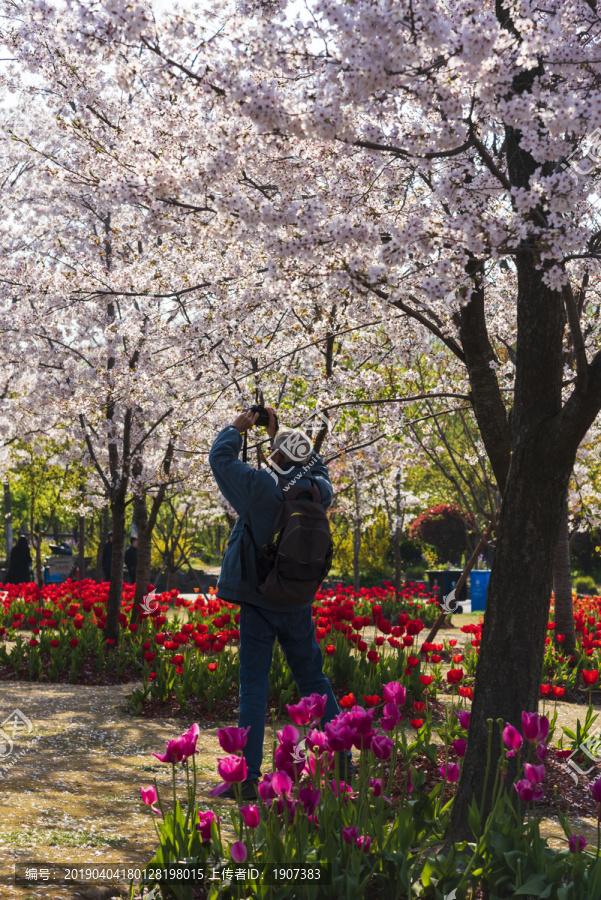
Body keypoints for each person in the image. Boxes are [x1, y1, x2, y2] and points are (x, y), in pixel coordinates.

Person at [209, 407, 352, 801]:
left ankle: (248, 777)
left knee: (254, 686)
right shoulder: (320, 489)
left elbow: (220, 459)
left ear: (275, 456)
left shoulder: (258, 488)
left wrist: (238, 427)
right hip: (298, 597)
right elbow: (314, 463)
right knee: (314, 680)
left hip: (258, 597)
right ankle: (343, 767)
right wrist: (282, 431)